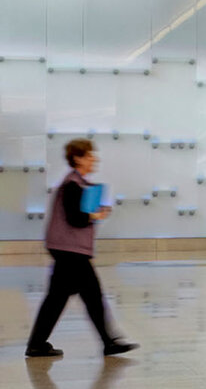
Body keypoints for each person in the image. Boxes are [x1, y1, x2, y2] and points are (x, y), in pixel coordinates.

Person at [26, 139, 138, 358]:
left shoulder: (77, 184)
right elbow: (76, 218)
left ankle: (38, 344)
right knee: (90, 296)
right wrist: (96, 215)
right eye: (89, 155)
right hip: (71, 252)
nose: (94, 158)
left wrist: (95, 212)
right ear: (77, 158)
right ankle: (108, 342)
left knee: (58, 299)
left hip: (67, 251)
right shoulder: (72, 186)